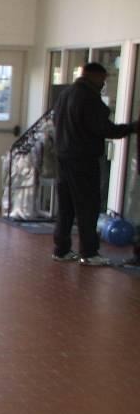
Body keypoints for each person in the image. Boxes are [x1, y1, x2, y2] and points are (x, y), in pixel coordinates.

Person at [51, 62, 140, 266]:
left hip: (64, 157)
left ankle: (62, 249)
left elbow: (57, 121)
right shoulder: (89, 98)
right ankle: (89, 253)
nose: (103, 83)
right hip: (83, 160)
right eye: (103, 79)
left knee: (66, 206)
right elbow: (104, 129)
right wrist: (131, 128)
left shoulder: (65, 94)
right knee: (87, 206)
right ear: (94, 76)